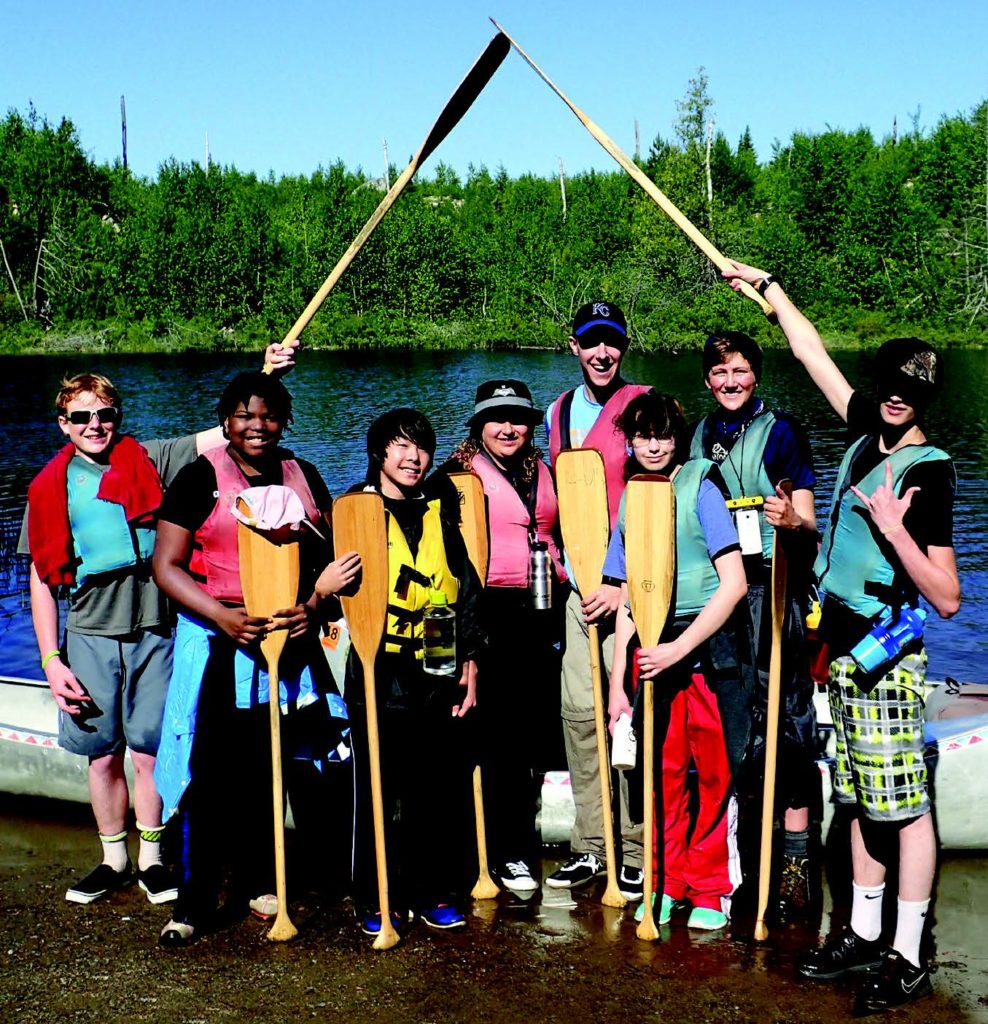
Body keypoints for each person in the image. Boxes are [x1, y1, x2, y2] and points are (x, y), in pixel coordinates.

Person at [724, 260, 960, 1014]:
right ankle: (861, 934)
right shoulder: (867, 432)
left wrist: (896, 530)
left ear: (923, 400)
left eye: (909, 391)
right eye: (888, 384)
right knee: (858, 800)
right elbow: (811, 356)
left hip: (889, 658)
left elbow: (950, 598)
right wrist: (771, 292)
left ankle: (906, 949)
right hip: (843, 654)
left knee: (906, 809)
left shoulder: (931, 471)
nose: (894, 397)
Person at [19, 343, 293, 907]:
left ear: (118, 418)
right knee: (102, 753)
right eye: (81, 417)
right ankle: (111, 857)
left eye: (105, 415)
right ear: (63, 424)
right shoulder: (49, 488)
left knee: (149, 749)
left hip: (155, 629)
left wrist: (267, 371)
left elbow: (228, 432)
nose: (95, 425)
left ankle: (151, 858)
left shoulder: (153, 458)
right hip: (91, 633)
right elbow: (43, 580)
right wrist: (51, 660)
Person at [151, 369, 354, 946]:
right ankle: (193, 900)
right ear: (226, 423)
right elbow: (165, 566)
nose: (257, 425)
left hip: (291, 638)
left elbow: (326, 561)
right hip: (221, 639)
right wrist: (221, 616)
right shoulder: (198, 477)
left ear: (283, 420)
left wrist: (313, 607)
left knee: (283, 766)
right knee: (212, 774)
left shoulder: (304, 475)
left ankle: (268, 879)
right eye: (244, 415)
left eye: (267, 415)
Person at [604, 392, 749, 930]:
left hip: (706, 649)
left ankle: (710, 889)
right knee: (661, 773)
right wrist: (619, 682)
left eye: (662, 435)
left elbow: (733, 585)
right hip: (653, 648)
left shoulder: (702, 486)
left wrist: (679, 650)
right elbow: (626, 600)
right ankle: (666, 882)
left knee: (713, 773)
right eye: (642, 436)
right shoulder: (631, 500)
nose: (653, 446)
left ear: (676, 437)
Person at [688, 331, 820, 916]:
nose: (731, 382)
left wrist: (790, 518)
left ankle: (795, 871)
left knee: (787, 727)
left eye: (740, 371)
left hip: (774, 590)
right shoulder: (698, 435)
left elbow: (811, 525)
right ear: (708, 381)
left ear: (756, 377)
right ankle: (749, 869)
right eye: (720, 374)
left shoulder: (783, 432)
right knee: (739, 728)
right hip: (721, 597)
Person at [346, 408, 485, 937]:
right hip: (377, 660)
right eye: (400, 447)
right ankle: (376, 894)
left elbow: (465, 588)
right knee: (380, 787)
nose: (412, 458)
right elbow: (326, 589)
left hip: (437, 655)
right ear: (379, 453)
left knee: (436, 785)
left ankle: (432, 891)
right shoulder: (357, 510)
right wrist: (326, 585)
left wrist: (470, 659)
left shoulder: (439, 509)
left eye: (421, 448)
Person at [438, 379, 567, 893]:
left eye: (518, 418)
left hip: (544, 607)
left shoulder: (547, 471)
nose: (509, 427)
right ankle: (505, 849)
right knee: (498, 732)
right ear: (478, 426)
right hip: (488, 611)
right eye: (498, 418)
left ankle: (526, 834)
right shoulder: (455, 477)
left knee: (535, 725)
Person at [544, 301, 651, 898]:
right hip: (579, 587)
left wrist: (621, 579)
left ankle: (633, 848)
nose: (602, 353)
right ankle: (590, 843)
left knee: (625, 718)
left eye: (611, 342)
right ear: (574, 346)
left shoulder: (644, 402)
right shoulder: (558, 411)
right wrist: (564, 566)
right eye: (591, 342)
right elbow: (559, 502)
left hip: (633, 588)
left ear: (623, 346)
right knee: (581, 717)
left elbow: (657, 497)